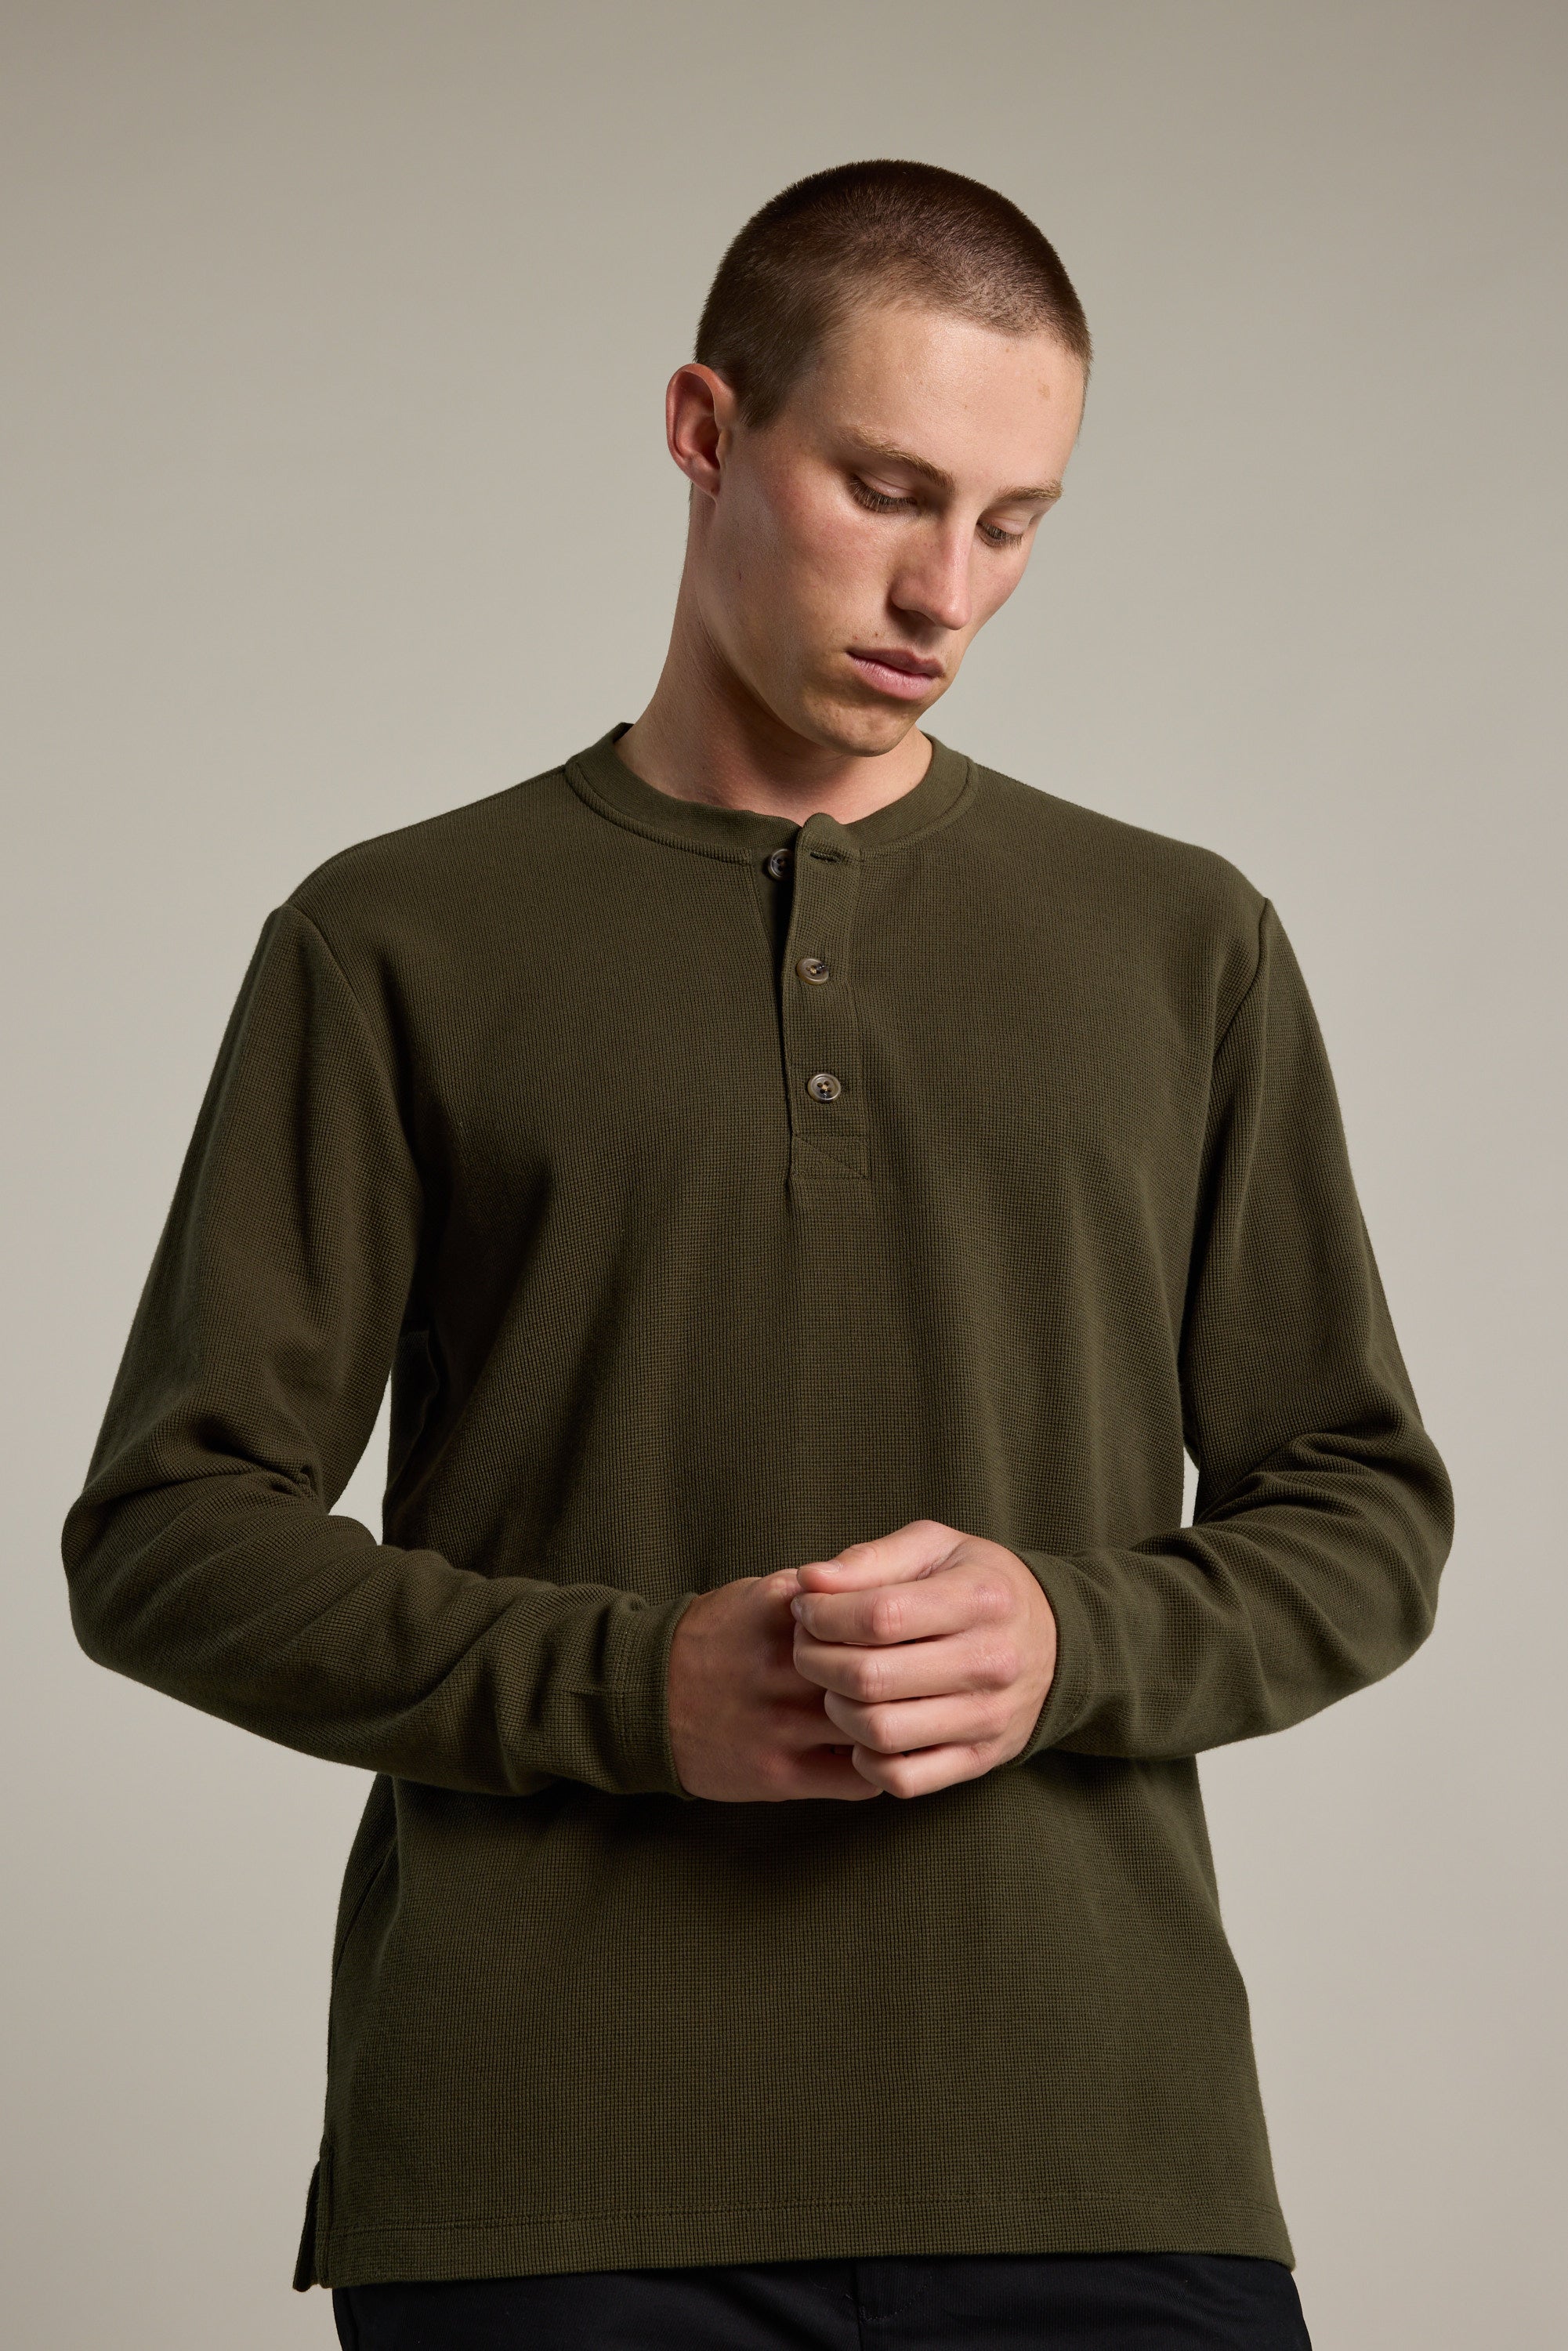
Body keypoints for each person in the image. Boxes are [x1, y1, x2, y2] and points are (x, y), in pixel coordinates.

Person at [62, 160, 1452, 2350]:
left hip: (1087, 2149)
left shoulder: (1181, 942)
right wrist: (635, 1692)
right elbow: (164, 1539)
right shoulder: (398, 937)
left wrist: (1063, 1637)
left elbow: (1363, 1513)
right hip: (548, 2188)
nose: (943, 589)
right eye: (885, 487)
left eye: (1010, 522)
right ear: (707, 430)